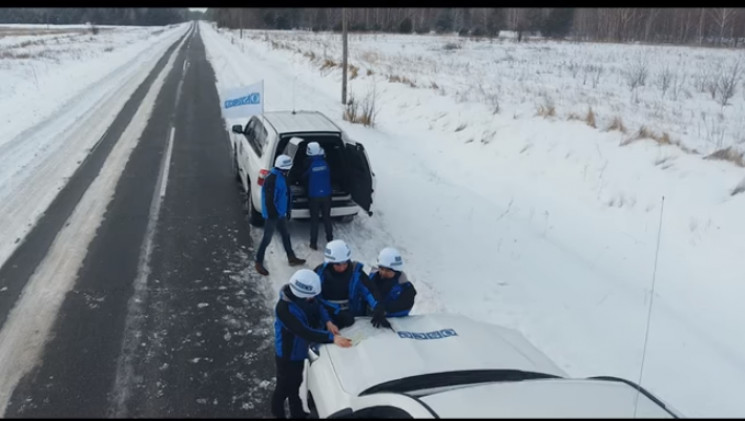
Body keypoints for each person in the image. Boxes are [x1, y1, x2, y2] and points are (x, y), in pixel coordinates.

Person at [272, 269, 352, 419]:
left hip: (299, 351)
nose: (313, 298)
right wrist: (332, 338)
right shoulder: (284, 309)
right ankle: (278, 413)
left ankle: (297, 414)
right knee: (283, 388)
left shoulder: (305, 297)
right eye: (311, 296)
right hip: (287, 355)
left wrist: (328, 321)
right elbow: (303, 331)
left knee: (295, 383)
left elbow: (318, 305)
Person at [255, 154, 306, 276]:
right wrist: (274, 214)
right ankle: (258, 261)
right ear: (282, 168)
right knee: (267, 239)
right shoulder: (272, 179)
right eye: (288, 168)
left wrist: (287, 211)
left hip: (280, 213)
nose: (289, 170)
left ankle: (291, 257)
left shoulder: (282, 176)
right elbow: (269, 200)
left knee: (285, 235)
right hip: (273, 215)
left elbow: (286, 194)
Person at [314, 239, 379, 329]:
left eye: (345, 263)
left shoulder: (356, 272)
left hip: (354, 318)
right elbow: (315, 299)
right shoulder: (319, 273)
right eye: (338, 265)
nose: (342, 268)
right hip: (329, 319)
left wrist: (378, 306)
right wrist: (336, 312)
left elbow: (369, 291)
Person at [366, 247, 417, 320]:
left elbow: (403, 308)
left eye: (387, 270)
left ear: (396, 270)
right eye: (381, 268)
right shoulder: (372, 278)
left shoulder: (406, 289)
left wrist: (384, 311)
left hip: (391, 323)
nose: (383, 273)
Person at [302, 141, 333, 250]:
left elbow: (304, 177)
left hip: (314, 196)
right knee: (327, 219)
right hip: (327, 195)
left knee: (314, 220)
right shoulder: (326, 163)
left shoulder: (309, 165)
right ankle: (330, 240)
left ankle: (313, 243)